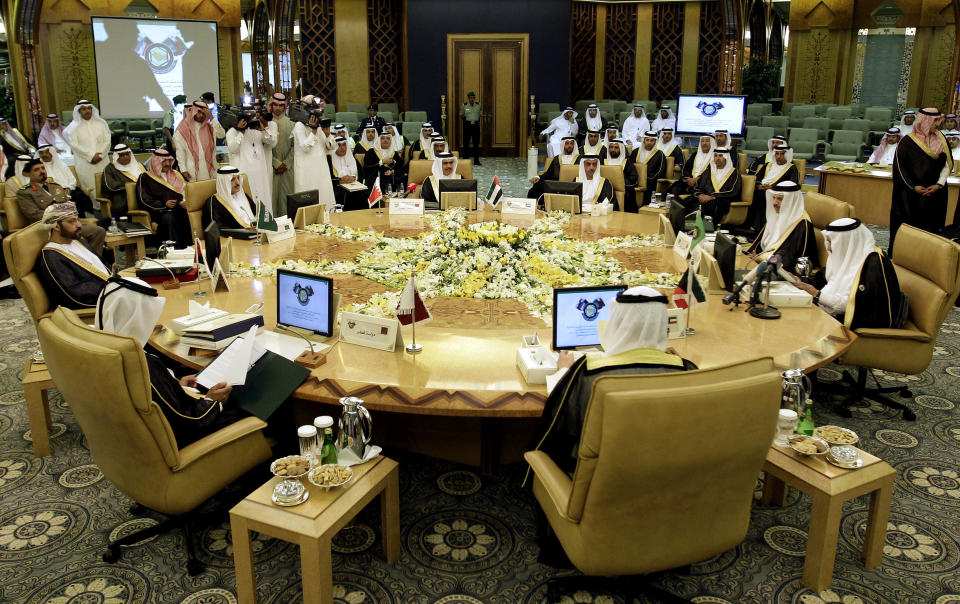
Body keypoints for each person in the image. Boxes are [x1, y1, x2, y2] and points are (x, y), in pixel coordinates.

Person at [528, 286, 696, 475]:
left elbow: (562, 423)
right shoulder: (686, 370)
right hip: (666, 480)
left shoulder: (590, 371)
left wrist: (564, 370)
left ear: (617, 322)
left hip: (599, 483)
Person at [95, 277, 255, 448]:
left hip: (145, 436)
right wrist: (212, 401)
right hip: (187, 438)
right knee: (256, 406)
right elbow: (190, 421)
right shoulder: (140, 364)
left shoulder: (103, 347)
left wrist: (176, 385)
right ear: (137, 317)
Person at [794, 218, 904, 330]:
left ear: (847, 242)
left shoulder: (873, 264)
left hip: (856, 329)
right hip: (830, 317)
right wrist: (798, 281)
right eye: (827, 241)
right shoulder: (847, 255)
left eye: (831, 242)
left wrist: (817, 295)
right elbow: (823, 281)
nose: (828, 247)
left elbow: (857, 305)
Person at [890, 108, 953, 251]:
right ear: (924, 121)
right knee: (909, 229)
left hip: (935, 193)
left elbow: (947, 165)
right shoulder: (906, 142)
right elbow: (900, 169)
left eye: (938, 120)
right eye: (935, 121)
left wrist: (939, 184)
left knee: (933, 229)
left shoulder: (941, 139)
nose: (938, 124)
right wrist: (913, 187)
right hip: (910, 196)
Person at [18, 159, 106, 254]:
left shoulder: (56, 187)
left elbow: (70, 206)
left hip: (70, 223)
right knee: (77, 236)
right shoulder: (25, 192)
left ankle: (94, 261)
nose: (42, 171)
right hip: (49, 228)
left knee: (98, 231)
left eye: (43, 168)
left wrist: (70, 218)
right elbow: (34, 214)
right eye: (36, 170)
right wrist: (61, 218)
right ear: (29, 174)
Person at [36, 201, 110, 309]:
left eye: (77, 220)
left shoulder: (79, 242)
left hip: (109, 292)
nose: (79, 225)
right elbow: (75, 295)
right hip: (96, 303)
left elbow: (103, 267)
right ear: (56, 226)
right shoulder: (52, 256)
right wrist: (113, 289)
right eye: (72, 221)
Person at [745, 181, 817, 273]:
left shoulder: (803, 225)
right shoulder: (775, 216)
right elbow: (758, 247)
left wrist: (760, 258)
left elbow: (791, 261)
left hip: (783, 275)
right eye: (774, 198)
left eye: (780, 199)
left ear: (792, 201)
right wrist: (753, 255)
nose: (774, 203)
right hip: (763, 266)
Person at [136, 149, 191, 248]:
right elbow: (143, 200)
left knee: (191, 215)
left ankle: (189, 249)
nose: (167, 164)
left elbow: (186, 191)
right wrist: (164, 204)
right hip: (159, 212)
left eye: (169, 161)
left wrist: (186, 201)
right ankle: (171, 251)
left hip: (179, 208)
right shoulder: (145, 177)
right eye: (164, 161)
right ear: (156, 161)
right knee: (169, 217)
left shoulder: (176, 174)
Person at [226, 111, 277, 211]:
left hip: (260, 173)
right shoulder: (232, 131)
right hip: (244, 173)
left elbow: (272, 143)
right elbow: (233, 149)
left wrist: (264, 129)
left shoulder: (256, 129)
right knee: (248, 200)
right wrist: (241, 131)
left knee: (263, 199)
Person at [747, 145, 800, 231]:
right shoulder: (768, 165)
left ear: (787, 155)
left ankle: (760, 228)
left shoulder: (792, 168)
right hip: (761, 190)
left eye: (782, 154)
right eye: (777, 154)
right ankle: (749, 226)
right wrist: (758, 185)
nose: (779, 157)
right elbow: (755, 178)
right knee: (752, 193)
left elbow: (793, 185)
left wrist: (773, 187)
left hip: (778, 194)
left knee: (762, 195)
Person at [64, 100, 110, 194]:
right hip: (84, 162)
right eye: (84, 109)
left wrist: (100, 155)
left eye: (89, 108)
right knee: (90, 186)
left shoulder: (101, 123)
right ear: (79, 111)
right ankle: (93, 208)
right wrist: (90, 156)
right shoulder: (73, 127)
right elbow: (74, 144)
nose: (87, 111)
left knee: (105, 183)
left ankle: (107, 207)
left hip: (102, 160)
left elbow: (107, 140)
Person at [291, 110, 336, 207]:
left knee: (324, 197)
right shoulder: (299, 125)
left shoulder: (319, 126)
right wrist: (314, 131)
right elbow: (305, 147)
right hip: (306, 171)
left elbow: (332, 146)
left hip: (321, 170)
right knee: (307, 202)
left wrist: (328, 134)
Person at [174, 101, 226, 182]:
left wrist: (211, 117)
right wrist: (183, 169)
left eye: (203, 113)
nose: (201, 115)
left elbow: (222, 134)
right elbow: (180, 152)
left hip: (211, 169)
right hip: (192, 171)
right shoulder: (183, 130)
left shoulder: (210, 126)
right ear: (193, 112)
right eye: (199, 112)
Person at [36, 144, 93, 215]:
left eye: (47, 152)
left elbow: (72, 180)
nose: (44, 155)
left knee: (81, 196)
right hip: (54, 193)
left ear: (52, 152)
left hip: (69, 189)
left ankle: (85, 219)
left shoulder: (62, 165)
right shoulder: (40, 169)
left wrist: (69, 188)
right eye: (42, 153)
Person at [687, 148, 742, 221]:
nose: (717, 158)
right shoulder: (708, 171)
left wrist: (712, 197)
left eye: (720, 156)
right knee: (688, 201)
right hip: (706, 198)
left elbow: (733, 191)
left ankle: (708, 228)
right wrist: (700, 195)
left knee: (710, 205)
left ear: (726, 158)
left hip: (722, 199)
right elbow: (697, 186)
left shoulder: (734, 173)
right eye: (715, 156)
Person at [203, 165, 257, 230]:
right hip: (238, 238)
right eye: (233, 179)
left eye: (238, 178)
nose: (238, 183)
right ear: (224, 182)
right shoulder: (214, 202)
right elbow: (217, 230)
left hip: (256, 233)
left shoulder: (243, 196)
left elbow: (258, 214)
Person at [268, 93, 296, 217]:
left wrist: (286, 163)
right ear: (271, 105)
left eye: (281, 105)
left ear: (285, 107)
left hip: (287, 169)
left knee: (286, 200)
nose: (278, 108)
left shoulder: (292, 124)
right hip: (270, 168)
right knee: (271, 199)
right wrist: (275, 163)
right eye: (275, 105)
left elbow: (295, 146)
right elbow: (264, 148)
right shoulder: (265, 124)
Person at [101, 144, 143, 218]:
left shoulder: (140, 166)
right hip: (123, 196)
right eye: (122, 155)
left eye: (127, 154)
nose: (125, 157)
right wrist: (130, 187)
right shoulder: (110, 168)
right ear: (117, 156)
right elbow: (110, 185)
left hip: (143, 194)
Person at [667, 135, 715, 199]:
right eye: (702, 141)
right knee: (675, 188)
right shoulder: (695, 155)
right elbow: (686, 168)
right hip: (689, 182)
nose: (704, 143)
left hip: (703, 184)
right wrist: (688, 179)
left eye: (707, 141)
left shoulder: (715, 157)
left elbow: (711, 173)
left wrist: (697, 179)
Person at [329, 136, 368, 210]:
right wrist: (339, 180)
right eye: (339, 145)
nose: (342, 148)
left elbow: (362, 175)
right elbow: (327, 178)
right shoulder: (329, 161)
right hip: (338, 191)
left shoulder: (353, 159)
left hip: (354, 190)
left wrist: (353, 178)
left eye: (344, 145)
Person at [363, 128, 405, 193]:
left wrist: (392, 171)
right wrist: (381, 162)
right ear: (379, 140)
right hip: (376, 180)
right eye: (383, 138)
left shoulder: (395, 153)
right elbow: (367, 168)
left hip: (392, 181)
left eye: (388, 139)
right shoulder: (371, 152)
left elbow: (401, 168)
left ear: (391, 141)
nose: (385, 140)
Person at [630, 131, 666, 206]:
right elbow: (629, 167)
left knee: (649, 189)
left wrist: (646, 178)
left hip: (650, 182)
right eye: (647, 140)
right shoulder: (635, 152)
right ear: (644, 140)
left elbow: (660, 172)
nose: (649, 142)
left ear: (655, 141)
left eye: (652, 140)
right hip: (634, 180)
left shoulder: (660, 154)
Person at [602, 139, 638, 212]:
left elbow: (633, 178)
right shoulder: (603, 161)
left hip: (624, 190)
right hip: (605, 189)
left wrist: (620, 183)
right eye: (611, 147)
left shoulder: (627, 162)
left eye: (616, 148)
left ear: (621, 149)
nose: (613, 150)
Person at [459, 92, 482, 165]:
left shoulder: (478, 105)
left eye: (473, 97)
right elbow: (461, 114)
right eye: (470, 97)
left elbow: (480, 114)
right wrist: (466, 122)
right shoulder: (464, 105)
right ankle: (465, 160)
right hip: (467, 126)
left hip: (476, 126)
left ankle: (476, 161)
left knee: (476, 144)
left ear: (474, 98)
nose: (472, 99)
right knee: (466, 143)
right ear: (468, 98)